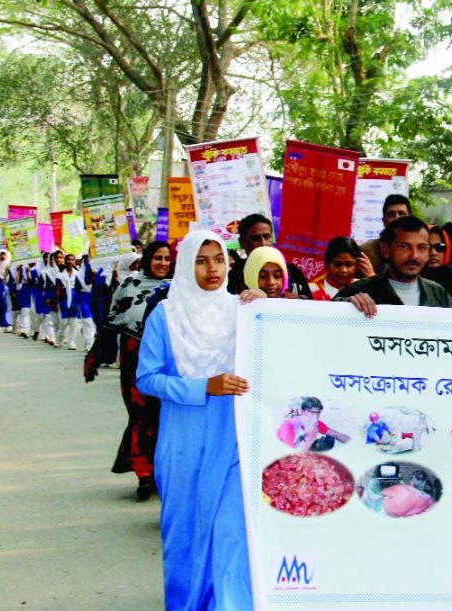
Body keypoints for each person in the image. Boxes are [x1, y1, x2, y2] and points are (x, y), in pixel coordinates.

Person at [136, 230, 253, 610]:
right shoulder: (165, 316)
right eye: (201, 261)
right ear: (186, 265)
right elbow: (147, 377)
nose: (211, 269)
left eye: (218, 259)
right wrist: (204, 386)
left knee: (231, 531)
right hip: (183, 440)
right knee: (185, 534)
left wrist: (267, 307)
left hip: (233, 438)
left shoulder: (244, 311)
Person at [86, 241, 172, 501]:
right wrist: (95, 357)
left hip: (167, 364)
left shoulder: (179, 289)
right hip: (134, 362)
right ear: (146, 260)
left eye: (167, 259)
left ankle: (161, 472)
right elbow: (112, 323)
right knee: (139, 416)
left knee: (163, 417)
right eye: (157, 258)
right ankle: (143, 474)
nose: (163, 264)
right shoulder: (129, 286)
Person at [334, 216, 452, 316]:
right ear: (385, 250)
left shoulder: (437, 294)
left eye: (421, 248)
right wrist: (347, 306)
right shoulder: (360, 291)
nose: (414, 256)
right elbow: (324, 320)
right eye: (404, 247)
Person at [226, 213, 311, 298]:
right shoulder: (233, 277)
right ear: (242, 242)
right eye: (256, 238)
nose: (263, 243)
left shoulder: (292, 271)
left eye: (267, 237)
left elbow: (311, 306)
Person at [276, 397, 350, 452]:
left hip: (304, 446)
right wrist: (310, 437)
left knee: (328, 440)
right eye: (312, 412)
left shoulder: (315, 423)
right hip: (288, 452)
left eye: (318, 413)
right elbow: (293, 455)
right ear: (302, 411)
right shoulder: (289, 426)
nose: (316, 417)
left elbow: (336, 434)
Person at [360, 194, 411, 274]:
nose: (397, 218)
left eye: (402, 214)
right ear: (384, 221)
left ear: (410, 219)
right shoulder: (367, 252)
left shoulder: (419, 250)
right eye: (391, 214)